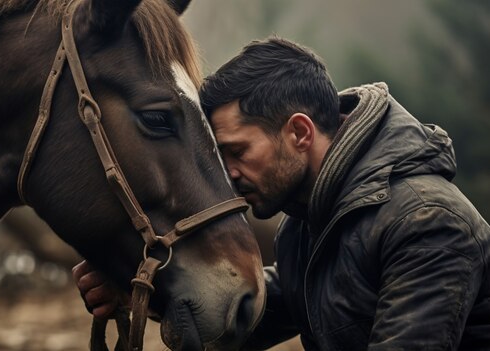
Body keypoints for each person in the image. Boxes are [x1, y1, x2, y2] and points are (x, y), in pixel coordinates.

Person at [73, 36, 490, 350]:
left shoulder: (427, 221)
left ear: (299, 132)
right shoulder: (306, 225)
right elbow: (259, 312)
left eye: (237, 151)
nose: (229, 175)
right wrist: (137, 288)